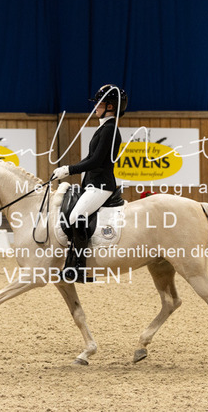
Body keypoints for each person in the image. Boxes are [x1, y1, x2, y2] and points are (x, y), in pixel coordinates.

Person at [52, 84, 127, 282]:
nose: (95, 107)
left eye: (99, 104)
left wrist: (69, 170)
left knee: (76, 216)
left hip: (102, 185)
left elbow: (96, 161)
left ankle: (80, 268)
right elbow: (89, 157)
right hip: (93, 184)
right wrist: (69, 168)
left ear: (110, 106)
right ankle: (71, 263)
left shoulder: (110, 130)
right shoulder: (104, 128)